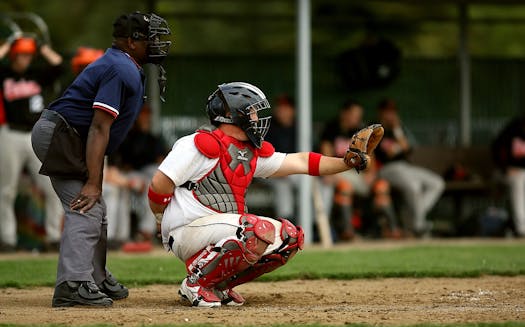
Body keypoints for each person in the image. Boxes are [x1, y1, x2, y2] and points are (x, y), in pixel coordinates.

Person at [148, 82, 377, 308]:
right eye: (253, 112)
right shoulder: (197, 144)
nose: (257, 118)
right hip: (187, 230)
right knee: (254, 230)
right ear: (232, 114)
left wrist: (347, 162)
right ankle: (196, 284)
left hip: (220, 231)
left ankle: (218, 284)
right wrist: (160, 219)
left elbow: (301, 161)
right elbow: (159, 185)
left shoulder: (246, 152)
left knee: (289, 238)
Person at [31, 12, 171, 307]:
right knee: (86, 207)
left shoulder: (124, 64)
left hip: (70, 136)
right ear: (132, 42)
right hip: (63, 135)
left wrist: (96, 180)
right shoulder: (121, 68)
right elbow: (98, 127)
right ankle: (73, 284)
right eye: (151, 38)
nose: (157, 44)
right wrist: (94, 181)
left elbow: (98, 132)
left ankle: (94, 277)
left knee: (98, 208)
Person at [0, 34, 64, 252]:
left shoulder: (37, 75)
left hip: (36, 134)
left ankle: (54, 237)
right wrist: (8, 46)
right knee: (6, 190)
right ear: (13, 56)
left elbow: (58, 65)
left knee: (52, 187)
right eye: (21, 54)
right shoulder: (5, 74)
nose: (25, 59)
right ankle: (7, 239)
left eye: (28, 55)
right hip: (10, 133)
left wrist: (42, 48)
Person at [319, 99, 400, 240]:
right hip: (339, 173)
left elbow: (371, 161)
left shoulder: (361, 131)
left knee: (382, 187)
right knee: (345, 187)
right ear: (344, 114)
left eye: (358, 116)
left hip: (359, 176)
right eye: (354, 115)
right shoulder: (332, 129)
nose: (357, 119)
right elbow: (326, 157)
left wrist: (370, 173)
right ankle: (348, 232)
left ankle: (392, 231)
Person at [374, 98, 444, 236]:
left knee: (437, 183)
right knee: (414, 186)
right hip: (386, 169)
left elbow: (406, 148)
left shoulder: (398, 129)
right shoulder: (375, 128)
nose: (391, 115)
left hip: (404, 167)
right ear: (381, 113)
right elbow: (388, 153)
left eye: (393, 112)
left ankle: (412, 216)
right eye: (387, 112)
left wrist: (396, 128)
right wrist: (397, 145)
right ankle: (418, 225)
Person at [104, 104, 167, 251]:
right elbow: (117, 168)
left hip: (142, 177)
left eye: (147, 115)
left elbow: (161, 160)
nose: (146, 118)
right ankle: (115, 237)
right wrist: (127, 180)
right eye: (143, 115)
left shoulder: (152, 138)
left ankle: (144, 231)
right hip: (123, 176)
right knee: (120, 189)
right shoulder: (125, 136)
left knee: (152, 178)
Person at [264, 94, 298, 221]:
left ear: (292, 110)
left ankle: (314, 223)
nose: (281, 111)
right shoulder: (268, 126)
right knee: (282, 184)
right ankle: (286, 223)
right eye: (280, 107)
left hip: (294, 170)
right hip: (271, 169)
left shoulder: (300, 126)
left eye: (285, 108)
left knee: (311, 182)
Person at [492, 115, 525, 237]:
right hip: (502, 173)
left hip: (522, 174)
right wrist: (505, 168)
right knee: (519, 180)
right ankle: (521, 228)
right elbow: (496, 151)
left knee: (521, 177)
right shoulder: (511, 132)